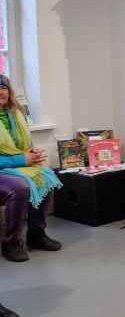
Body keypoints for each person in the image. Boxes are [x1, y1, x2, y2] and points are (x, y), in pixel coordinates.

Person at [0, 74, 62, 262]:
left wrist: (32, 150)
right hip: (6, 169)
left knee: (45, 177)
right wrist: (21, 159)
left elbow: (23, 144)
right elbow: (17, 155)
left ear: (9, 91)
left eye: (3, 87)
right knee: (20, 187)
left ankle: (36, 234)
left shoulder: (16, 114)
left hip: (15, 166)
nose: (0, 91)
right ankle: (11, 242)